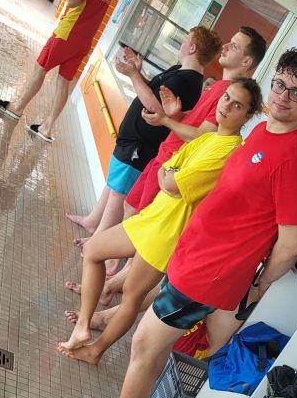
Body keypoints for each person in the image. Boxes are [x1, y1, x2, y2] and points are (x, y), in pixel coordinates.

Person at [65, 48, 297, 398]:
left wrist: (258, 285)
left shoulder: (296, 159)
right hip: (195, 256)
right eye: (280, 84)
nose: (283, 96)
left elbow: (291, 244)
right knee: (153, 346)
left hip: (212, 273)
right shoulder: (262, 132)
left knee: (144, 342)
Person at [57, 78, 263, 363]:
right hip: (153, 217)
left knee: (131, 296)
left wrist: (170, 174)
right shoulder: (207, 138)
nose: (225, 106)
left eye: (237, 105)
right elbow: (166, 168)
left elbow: (172, 182)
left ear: (248, 116)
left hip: (169, 230)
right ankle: (83, 327)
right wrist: (170, 174)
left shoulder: (229, 151)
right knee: (92, 251)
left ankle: (95, 350)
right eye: (226, 97)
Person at [65, 27, 265, 241]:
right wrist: (176, 114)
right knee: (130, 207)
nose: (225, 47)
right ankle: (104, 249)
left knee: (136, 213)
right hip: (163, 155)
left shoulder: (223, 91)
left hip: (169, 161)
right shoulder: (218, 87)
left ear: (246, 61)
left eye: (233, 46)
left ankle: (100, 249)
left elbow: (201, 135)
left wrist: (165, 118)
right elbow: (194, 120)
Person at [0, 0, 115, 141]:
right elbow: (83, 0)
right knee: (63, 82)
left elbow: (73, 2)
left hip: (67, 34)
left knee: (40, 68)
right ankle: (47, 127)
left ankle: (17, 107)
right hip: (84, 42)